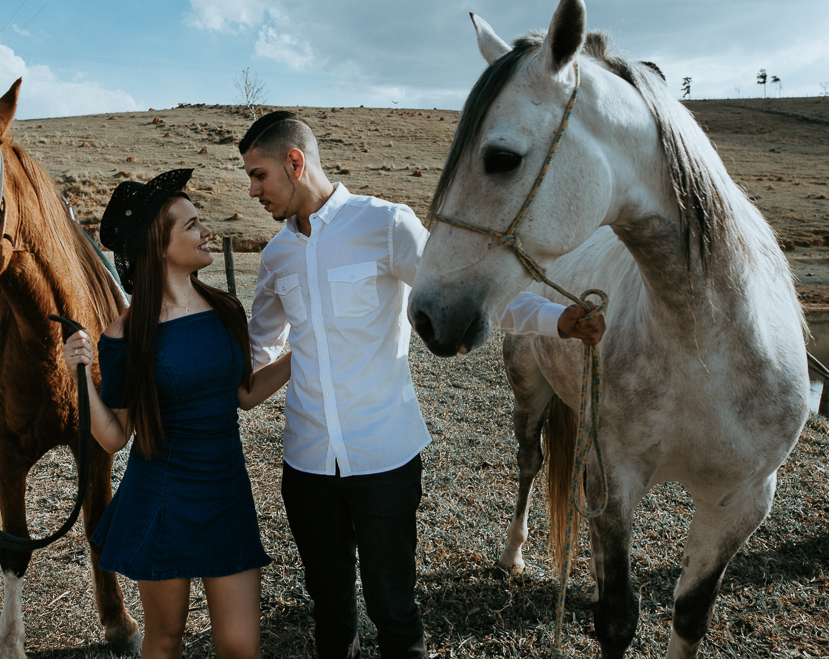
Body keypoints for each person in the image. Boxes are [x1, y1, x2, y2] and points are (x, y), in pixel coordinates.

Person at [239, 111, 605, 659]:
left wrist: (556, 319)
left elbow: (465, 290)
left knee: (394, 609)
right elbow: (256, 350)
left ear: (296, 162)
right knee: (330, 610)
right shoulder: (275, 257)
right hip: (307, 465)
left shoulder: (385, 224)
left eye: (259, 174)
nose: (252, 190)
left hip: (384, 458)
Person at [62, 168, 291, 659]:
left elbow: (245, 395)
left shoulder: (226, 309)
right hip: (162, 498)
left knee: (240, 646)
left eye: (200, 221)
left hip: (227, 492)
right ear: (158, 246)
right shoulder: (127, 334)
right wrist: (80, 375)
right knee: (165, 641)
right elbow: (114, 437)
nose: (206, 231)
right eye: (190, 225)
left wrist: (302, 355)